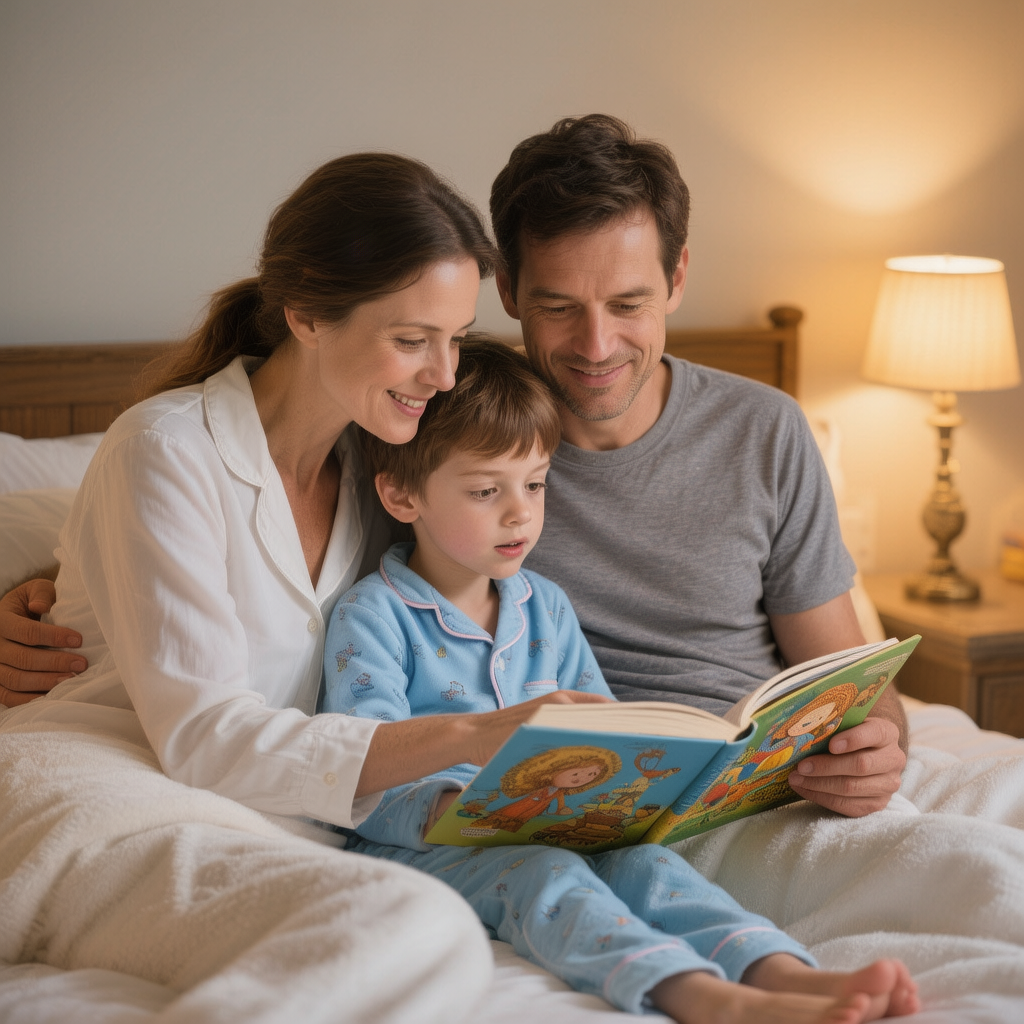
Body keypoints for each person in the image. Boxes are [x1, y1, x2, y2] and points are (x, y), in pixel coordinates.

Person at [0, 114, 905, 816]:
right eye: (558, 306)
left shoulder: (757, 431)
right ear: (509, 292)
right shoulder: (421, 434)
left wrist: (881, 744)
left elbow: (855, 680)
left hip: (722, 787)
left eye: (629, 304)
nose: (596, 346)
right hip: (518, 786)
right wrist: (46, 584)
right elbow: (180, 520)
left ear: (676, 281)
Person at [0, 152, 611, 1011]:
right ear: (307, 315)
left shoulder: (383, 470)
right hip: (105, 793)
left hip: (276, 822)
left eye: (454, 339)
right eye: (411, 340)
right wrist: (476, 734)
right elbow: (205, 737)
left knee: (423, 926)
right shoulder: (164, 449)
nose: (443, 375)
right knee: (411, 927)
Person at [324, 338, 918, 1024]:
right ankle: (704, 998)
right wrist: (461, 807)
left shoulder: (545, 604)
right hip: (429, 845)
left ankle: (781, 971)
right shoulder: (373, 617)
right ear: (401, 494)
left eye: (536, 484)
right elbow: (360, 766)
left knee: (651, 867)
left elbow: (605, 723)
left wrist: (640, 788)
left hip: (562, 823)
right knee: (545, 878)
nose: (520, 513)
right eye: (487, 491)